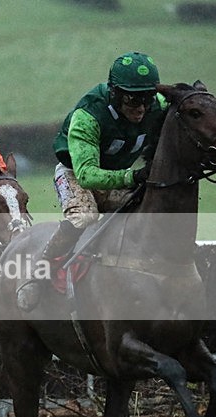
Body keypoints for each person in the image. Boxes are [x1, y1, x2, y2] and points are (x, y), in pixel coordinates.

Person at [43, 51, 166, 261]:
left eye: (147, 98)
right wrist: (133, 177)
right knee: (84, 217)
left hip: (117, 174)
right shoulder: (88, 116)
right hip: (76, 174)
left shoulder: (160, 105)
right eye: (133, 99)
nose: (141, 108)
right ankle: (44, 265)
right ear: (115, 93)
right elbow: (87, 175)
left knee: (150, 208)